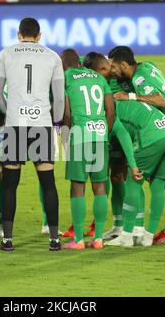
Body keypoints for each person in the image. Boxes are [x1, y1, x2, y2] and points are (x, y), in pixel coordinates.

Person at [0, 18, 65, 251]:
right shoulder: (53, 57)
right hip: (41, 125)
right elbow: (60, 98)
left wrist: (10, 112)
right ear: (39, 35)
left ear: (18, 34)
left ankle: (7, 240)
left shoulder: (5, 54)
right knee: (48, 184)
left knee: (9, 184)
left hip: (15, 126)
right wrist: (55, 122)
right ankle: (54, 240)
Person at [108, 46, 165, 245]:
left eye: (113, 66)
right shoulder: (148, 66)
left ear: (123, 64)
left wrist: (129, 97)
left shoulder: (138, 79)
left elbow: (161, 99)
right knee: (161, 180)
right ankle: (148, 231)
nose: (112, 70)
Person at [60, 49, 116, 249]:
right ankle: (99, 238)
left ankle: (78, 240)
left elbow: (66, 113)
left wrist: (65, 139)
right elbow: (111, 111)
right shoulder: (99, 78)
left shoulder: (65, 77)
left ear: (63, 64)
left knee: (78, 187)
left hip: (80, 136)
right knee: (100, 186)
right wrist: (104, 133)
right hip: (100, 135)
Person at [105, 99, 165, 248]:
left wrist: (132, 164)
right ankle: (148, 236)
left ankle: (126, 236)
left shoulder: (112, 112)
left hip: (151, 137)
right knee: (158, 185)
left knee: (133, 181)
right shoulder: (127, 105)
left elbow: (123, 135)